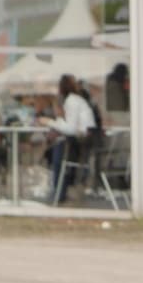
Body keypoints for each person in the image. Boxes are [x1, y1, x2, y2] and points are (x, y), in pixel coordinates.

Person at [40, 73, 98, 205]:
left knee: (58, 152)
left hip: (82, 142)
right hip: (85, 140)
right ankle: (60, 191)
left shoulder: (71, 101)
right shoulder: (76, 100)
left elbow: (70, 129)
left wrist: (49, 122)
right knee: (58, 146)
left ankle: (59, 192)